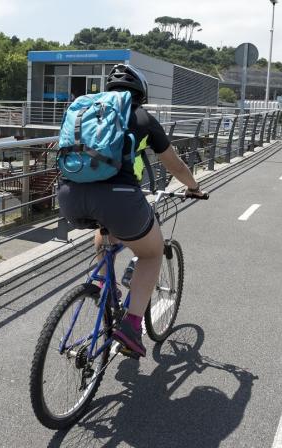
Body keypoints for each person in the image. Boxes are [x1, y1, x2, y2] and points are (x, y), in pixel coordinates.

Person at [57, 64, 207, 357]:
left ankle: (105, 288)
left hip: (70, 195)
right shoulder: (141, 117)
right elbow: (173, 164)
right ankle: (132, 326)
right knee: (151, 253)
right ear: (141, 92)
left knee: (104, 231)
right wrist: (193, 187)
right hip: (119, 199)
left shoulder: (88, 112)